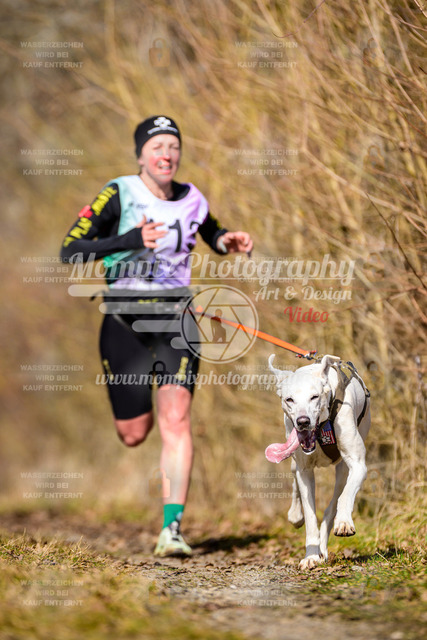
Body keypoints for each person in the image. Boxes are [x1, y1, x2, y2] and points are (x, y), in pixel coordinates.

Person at [60, 115, 253, 557]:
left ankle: (172, 528)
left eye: (173, 146)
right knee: (133, 432)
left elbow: (209, 230)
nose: (166, 154)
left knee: (177, 419)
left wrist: (227, 240)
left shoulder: (192, 197)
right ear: (140, 155)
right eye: (157, 147)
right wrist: (129, 239)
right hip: (124, 321)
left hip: (176, 320)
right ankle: (136, 424)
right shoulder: (119, 193)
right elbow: (70, 250)